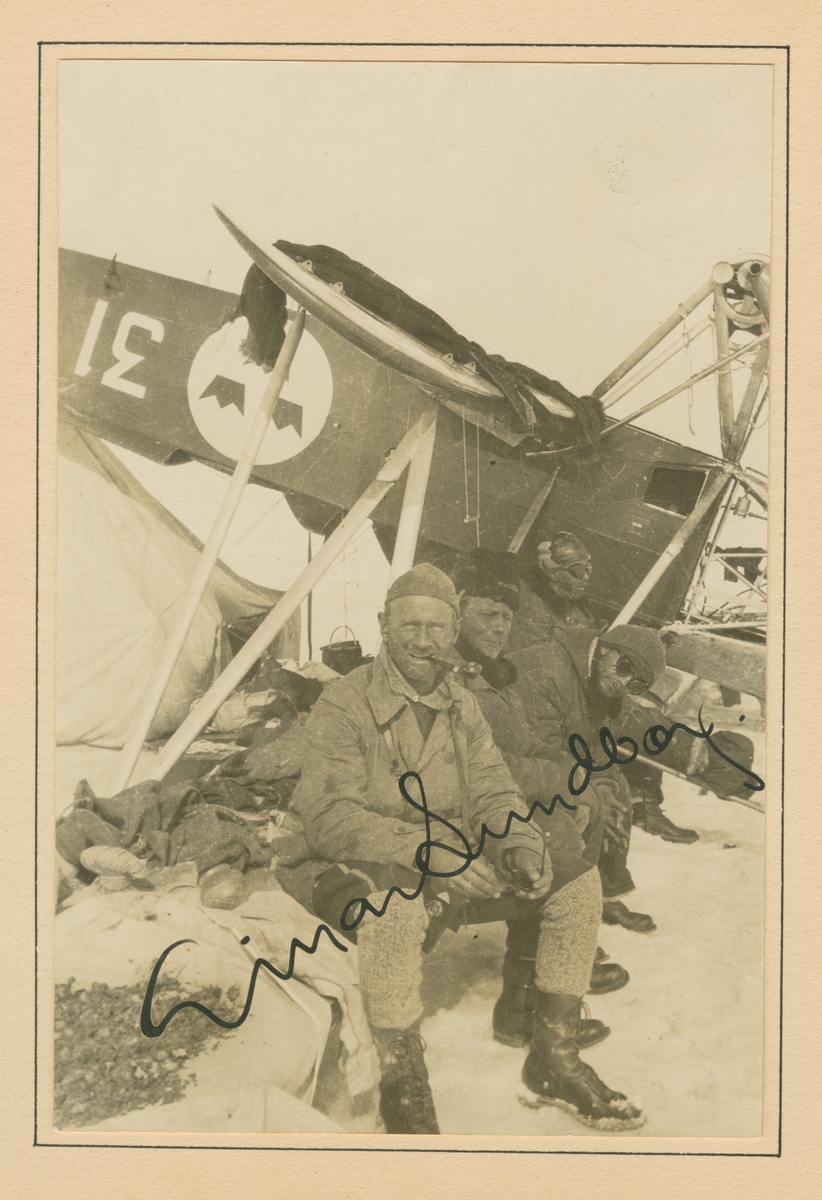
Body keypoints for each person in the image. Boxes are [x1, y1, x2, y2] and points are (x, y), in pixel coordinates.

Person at [291, 564, 646, 1135]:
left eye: (438, 627)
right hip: (350, 860)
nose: (424, 641)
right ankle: (403, 1085)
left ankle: (553, 1058)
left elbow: (493, 788)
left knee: (576, 883)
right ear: (383, 624)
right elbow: (329, 819)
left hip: (442, 855)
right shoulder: (344, 703)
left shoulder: (463, 704)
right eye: (410, 625)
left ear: (453, 631)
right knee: (395, 909)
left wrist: (520, 841)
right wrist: (431, 854)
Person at [449, 549, 631, 1052]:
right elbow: (487, 767)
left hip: (494, 803)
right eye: (488, 614)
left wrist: (580, 775)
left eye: (507, 617)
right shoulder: (453, 677)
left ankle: (537, 983)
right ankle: (526, 1002)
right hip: (452, 819)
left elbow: (525, 744)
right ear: (458, 607)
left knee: (583, 806)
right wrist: (560, 781)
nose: (499, 629)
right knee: (558, 841)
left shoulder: (492, 675)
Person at [509, 531, 699, 847]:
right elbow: (537, 661)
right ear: (551, 570)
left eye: (588, 571)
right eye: (576, 571)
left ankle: (645, 804)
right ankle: (635, 807)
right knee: (625, 723)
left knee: (637, 711)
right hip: (548, 699)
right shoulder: (530, 606)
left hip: (583, 690)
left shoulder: (574, 605)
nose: (585, 579)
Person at [508, 620, 671, 933]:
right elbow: (539, 750)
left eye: (635, 684)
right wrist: (589, 786)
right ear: (606, 649)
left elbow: (599, 744)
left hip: (555, 763)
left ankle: (603, 894)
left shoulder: (597, 675)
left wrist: (605, 782)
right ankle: (560, 927)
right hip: (514, 767)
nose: (623, 683)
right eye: (623, 667)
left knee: (616, 791)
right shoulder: (549, 672)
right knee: (579, 808)